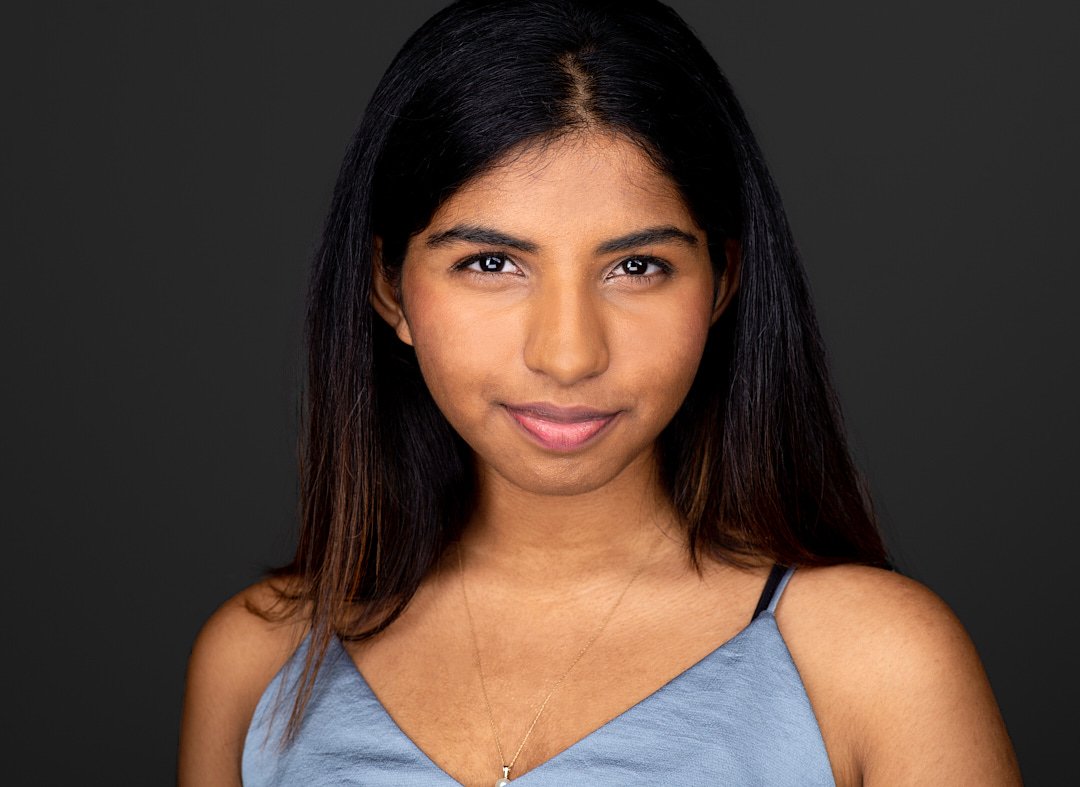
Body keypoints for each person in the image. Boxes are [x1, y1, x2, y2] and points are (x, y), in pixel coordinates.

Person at [178, 1, 1022, 784]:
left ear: (723, 282)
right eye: (492, 263)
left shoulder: (876, 661)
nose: (570, 354)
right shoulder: (260, 659)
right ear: (390, 288)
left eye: (636, 267)